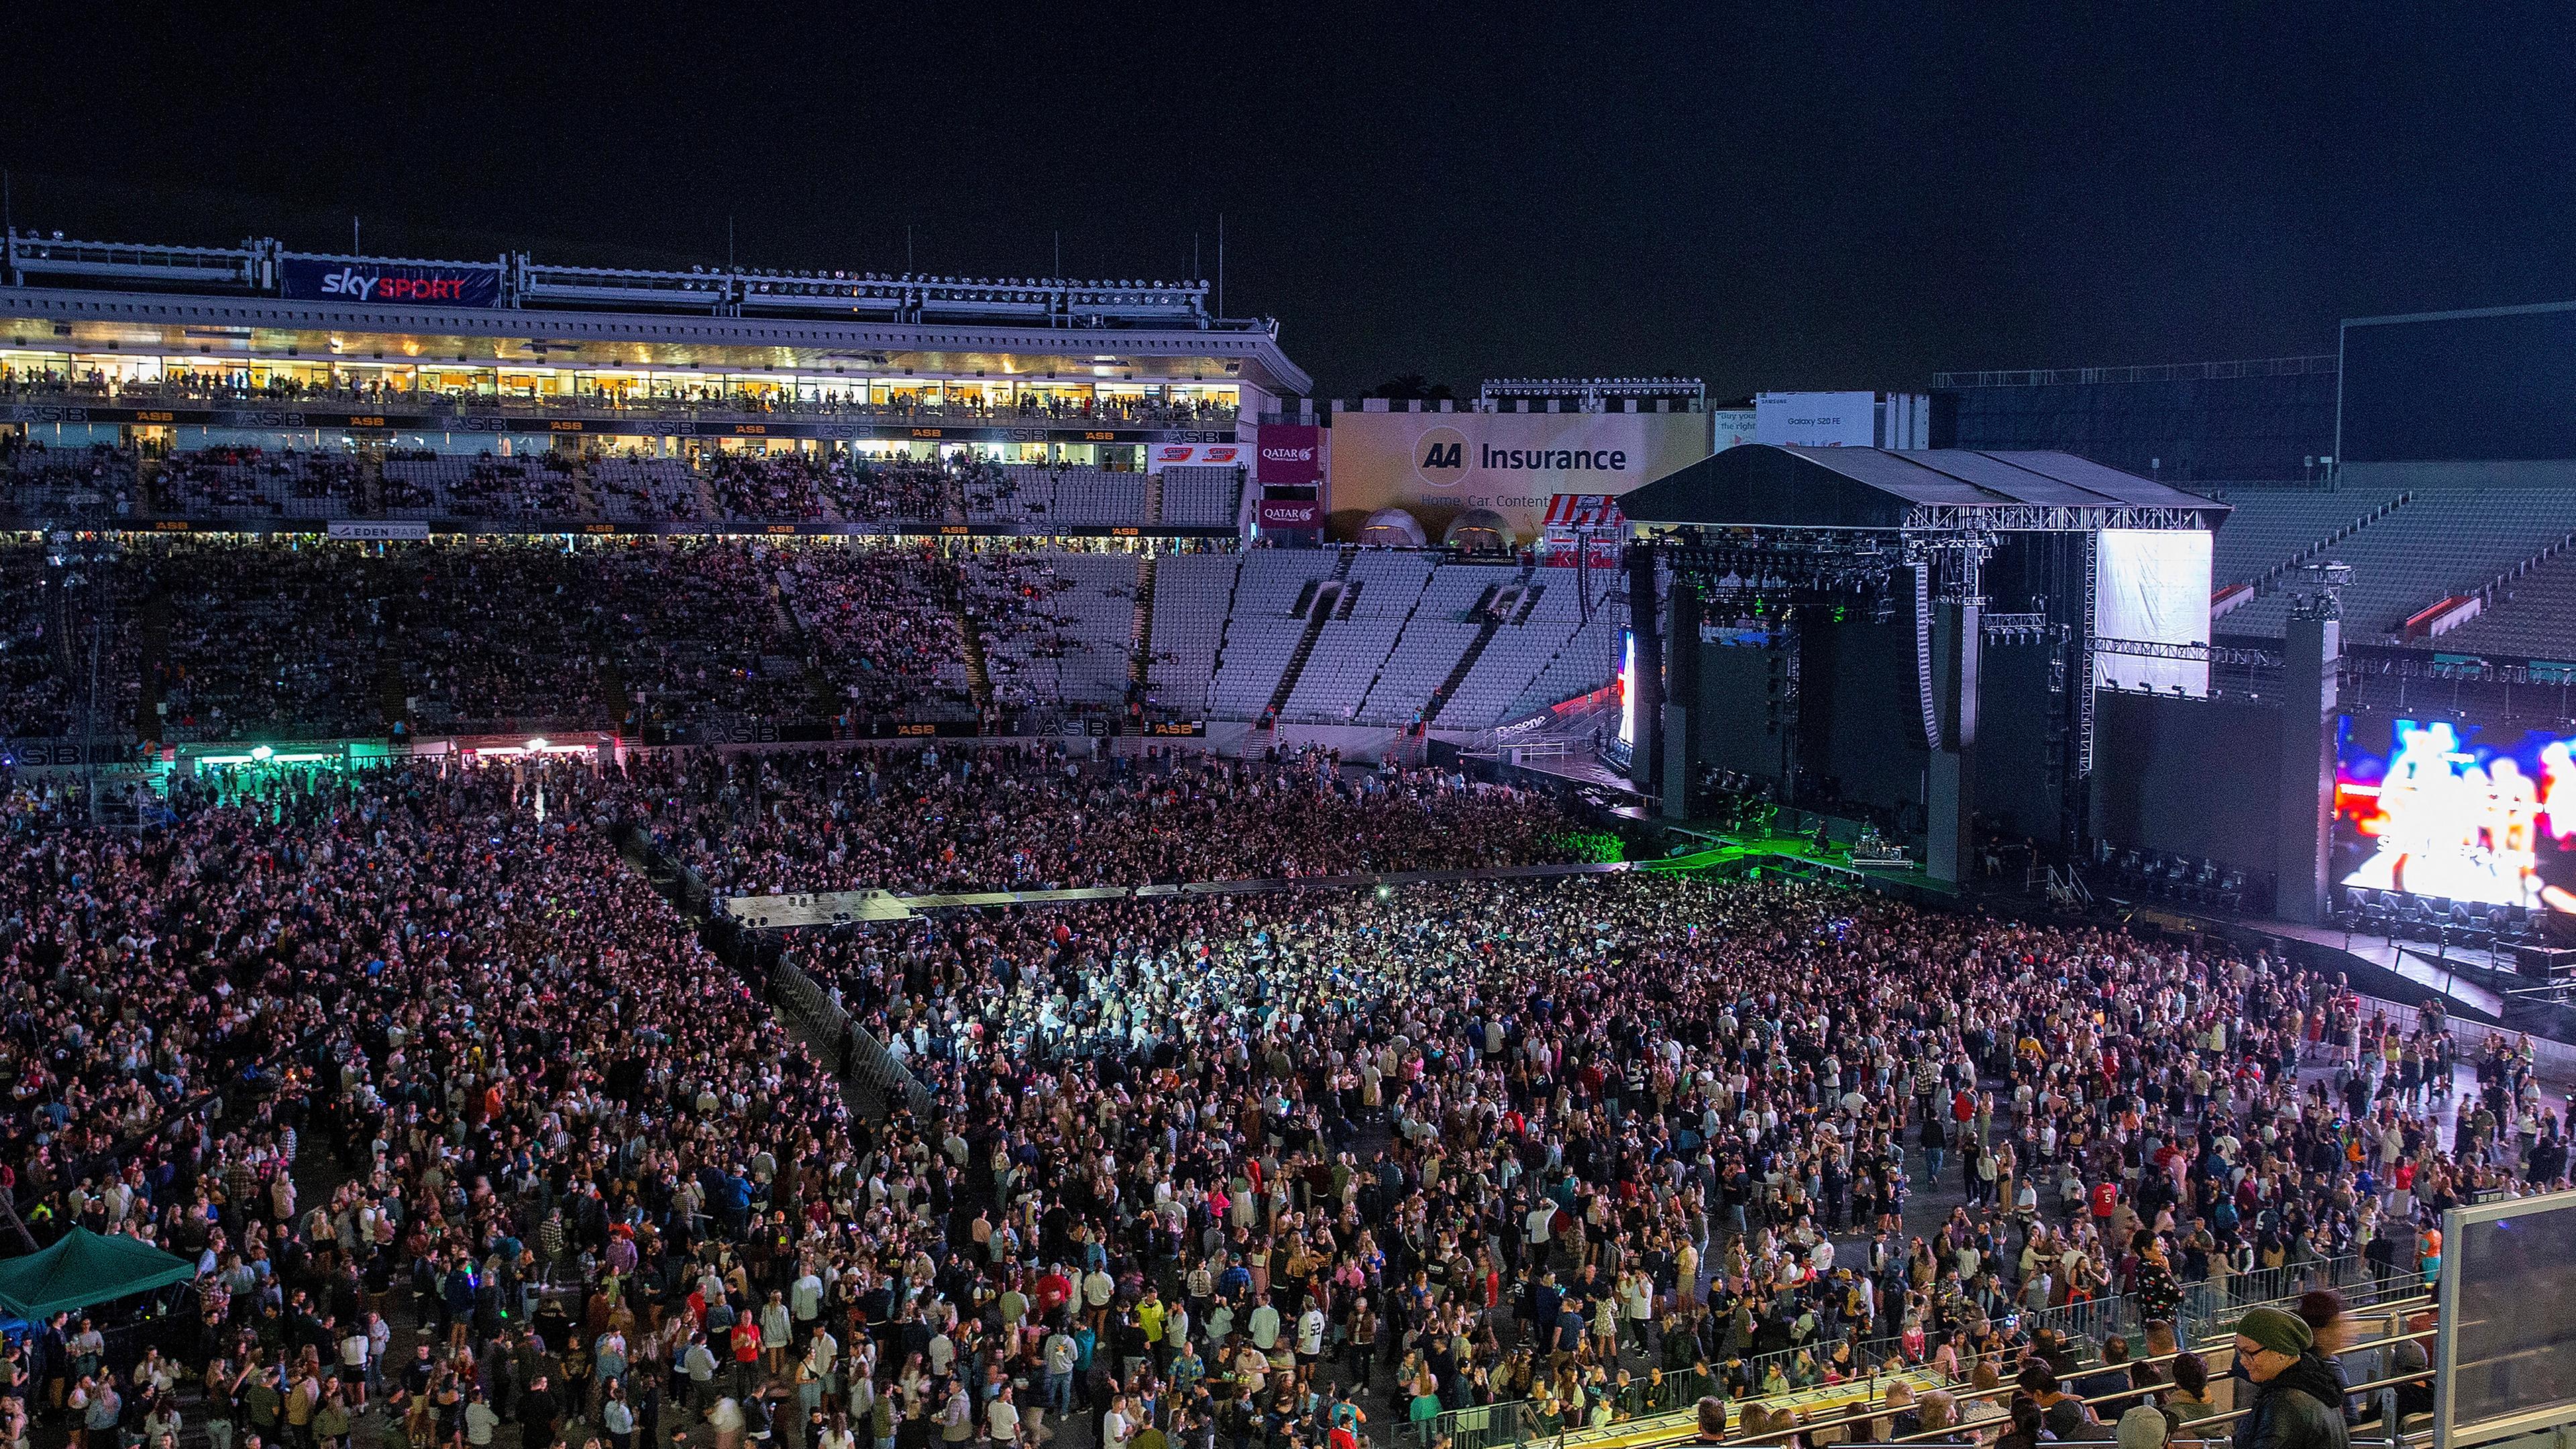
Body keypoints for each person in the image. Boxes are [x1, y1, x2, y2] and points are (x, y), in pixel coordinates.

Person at [2231, 1307, 2349, 1449]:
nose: (2243, 1361)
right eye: (2239, 1351)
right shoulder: (2316, 1384)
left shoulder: (2284, 1404)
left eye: (2249, 1352)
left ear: (2281, 1352)